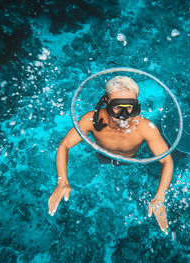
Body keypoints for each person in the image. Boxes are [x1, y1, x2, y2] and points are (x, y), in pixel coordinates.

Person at [48, 76, 173, 234]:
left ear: (136, 104)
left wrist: (160, 197)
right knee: (102, 160)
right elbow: (64, 145)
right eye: (117, 107)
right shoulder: (91, 120)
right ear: (106, 101)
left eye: (130, 107)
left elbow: (167, 161)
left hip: (129, 160)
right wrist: (62, 181)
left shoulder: (145, 128)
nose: (123, 115)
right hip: (103, 156)